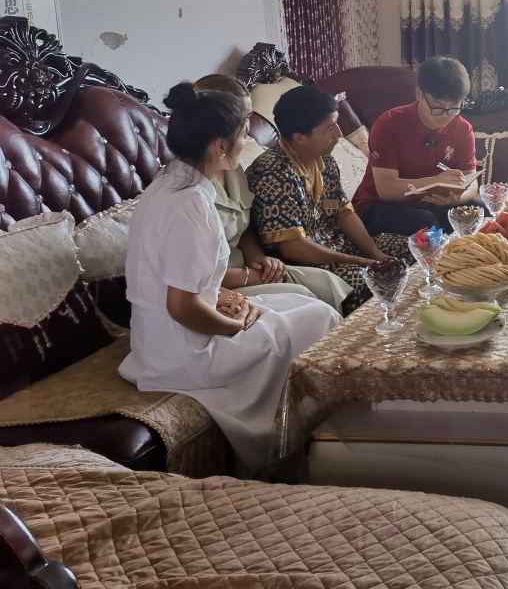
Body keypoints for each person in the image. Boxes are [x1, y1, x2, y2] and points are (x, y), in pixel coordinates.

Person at [118, 83, 341, 475]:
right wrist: (234, 326)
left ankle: (308, 437)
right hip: (185, 350)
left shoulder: (169, 183)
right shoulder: (192, 206)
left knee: (305, 304)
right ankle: (291, 446)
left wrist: (226, 298)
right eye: (243, 136)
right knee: (321, 319)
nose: (246, 143)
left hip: (158, 337)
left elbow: (174, 280)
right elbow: (181, 306)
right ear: (221, 146)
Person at [246, 86, 412, 314]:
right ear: (299, 137)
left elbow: (344, 214)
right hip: (303, 265)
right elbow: (292, 248)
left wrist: (376, 255)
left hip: (339, 247)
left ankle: (411, 317)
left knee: (407, 249)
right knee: (362, 281)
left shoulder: (326, 161)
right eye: (330, 127)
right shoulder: (273, 173)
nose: (339, 134)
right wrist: (361, 262)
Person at [191, 75, 350, 312]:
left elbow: (244, 230)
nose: (249, 129)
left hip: (250, 269)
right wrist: (249, 276)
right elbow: (193, 281)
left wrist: (258, 260)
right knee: (312, 303)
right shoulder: (189, 193)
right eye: (244, 119)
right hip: (222, 286)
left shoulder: (233, 170)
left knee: (330, 285)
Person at [352, 56, 478, 236]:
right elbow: (386, 189)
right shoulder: (389, 125)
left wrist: (457, 198)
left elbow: (471, 181)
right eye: (438, 107)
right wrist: (436, 181)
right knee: (425, 223)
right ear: (419, 94)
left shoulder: (463, 129)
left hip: (429, 204)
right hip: (378, 207)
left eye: (454, 107)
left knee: (479, 211)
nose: (446, 115)